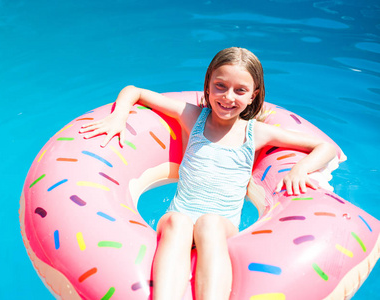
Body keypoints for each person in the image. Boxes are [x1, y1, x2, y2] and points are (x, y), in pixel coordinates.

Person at [79, 47, 337, 300]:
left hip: (220, 226)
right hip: (179, 220)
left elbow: (324, 147)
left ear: (253, 95)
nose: (228, 97)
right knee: (176, 221)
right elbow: (134, 91)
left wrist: (299, 169)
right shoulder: (192, 117)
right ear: (208, 84)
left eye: (240, 90)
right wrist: (119, 118)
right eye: (221, 86)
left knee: (209, 223)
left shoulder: (255, 133)